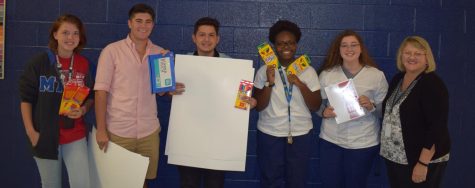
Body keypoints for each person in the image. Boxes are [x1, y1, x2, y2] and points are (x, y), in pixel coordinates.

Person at [94, 3, 183, 188]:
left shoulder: (160, 53)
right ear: (129, 23)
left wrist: (170, 89)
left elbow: (161, 90)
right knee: (118, 182)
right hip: (118, 131)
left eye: (148, 21)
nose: (143, 26)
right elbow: (101, 92)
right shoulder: (112, 51)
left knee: (142, 181)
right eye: (139, 21)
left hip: (148, 131)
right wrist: (101, 129)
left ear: (153, 25)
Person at [176, 16, 256, 188]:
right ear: (194, 37)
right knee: (188, 183)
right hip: (188, 140)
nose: (206, 39)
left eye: (211, 35)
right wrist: (170, 91)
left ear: (217, 38)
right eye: (202, 35)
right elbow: (172, 96)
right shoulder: (182, 65)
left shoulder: (233, 66)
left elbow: (243, 97)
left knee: (215, 184)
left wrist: (250, 101)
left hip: (219, 141)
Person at [19, 14, 93, 188]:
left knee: (82, 184)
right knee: (51, 185)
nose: (70, 37)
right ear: (55, 34)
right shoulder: (40, 63)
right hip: (45, 136)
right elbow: (26, 100)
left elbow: (91, 97)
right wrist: (31, 132)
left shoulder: (85, 64)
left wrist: (83, 110)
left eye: (75, 33)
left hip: (75, 135)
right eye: (65, 32)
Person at [253, 20, 321, 188]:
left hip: (300, 133)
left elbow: (315, 105)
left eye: (290, 43)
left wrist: (299, 83)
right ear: (274, 46)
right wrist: (270, 83)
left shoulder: (308, 71)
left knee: (297, 180)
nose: (286, 47)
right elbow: (259, 106)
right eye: (281, 43)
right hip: (270, 133)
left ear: (296, 45)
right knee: (270, 179)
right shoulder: (264, 71)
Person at [316, 30, 388, 188]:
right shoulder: (327, 75)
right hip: (331, 141)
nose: (350, 49)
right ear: (339, 50)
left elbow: (386, 112)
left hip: (363, 143)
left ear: (361, 48)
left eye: (354, 45)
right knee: (330, 183)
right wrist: (323, 112)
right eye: (344, 45)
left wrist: (372, 106)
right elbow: (316, 105)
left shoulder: (376, 75)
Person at [380, 36, 450, 188]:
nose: (412, 57)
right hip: (396, 157)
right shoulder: (398, 79)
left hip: (419, 159)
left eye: (418, 54)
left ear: (427, 58)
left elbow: (436, 128)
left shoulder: (432, 84)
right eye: (407, 53)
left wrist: (422, 163)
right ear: (401, 56)